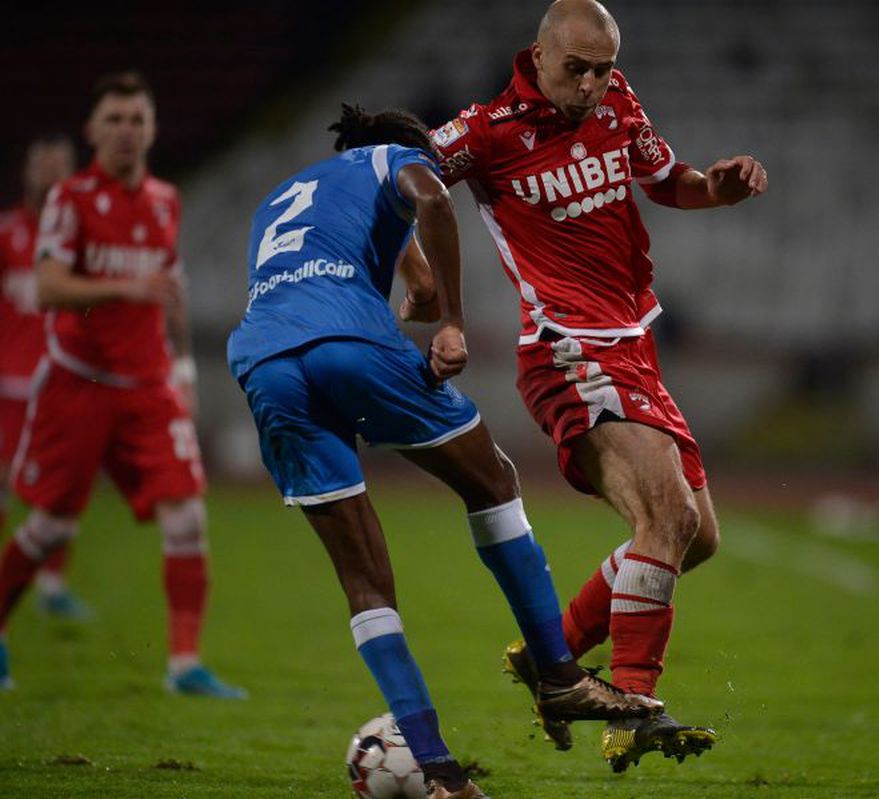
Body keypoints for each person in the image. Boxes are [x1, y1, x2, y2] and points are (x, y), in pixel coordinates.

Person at [227, 104, 661, 799]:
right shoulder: (394, 161)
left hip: (264, 361)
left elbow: (414, 285)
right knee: (494, 481)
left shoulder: (281, 198)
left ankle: (440, 775)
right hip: (347, 346)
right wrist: (453, 321)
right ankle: (557, 674)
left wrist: (402, 310)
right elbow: (431, 201)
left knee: (365, 586)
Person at [430, 0, 767, 771]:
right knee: (667, 516)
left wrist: (715, 187)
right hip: (566, 349)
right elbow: (408, 176)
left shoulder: (618, 104)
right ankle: (633, 702)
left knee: (697, 537)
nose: (588, 85)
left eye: (601, 69)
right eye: (575, 68)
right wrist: (425, 292)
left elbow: (667, 180)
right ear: (539, 56)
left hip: (632, 343)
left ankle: (544, 657)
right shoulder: (485, 132)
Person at [0, 72, 244, 697]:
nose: (127, 131)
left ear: (153, 129)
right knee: (49, 527)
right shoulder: (71, 199)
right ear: (93, 130)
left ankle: (184, 665)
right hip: (77, 384)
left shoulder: (165, 199)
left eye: (138, 119)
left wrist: (184, 367)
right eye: (115, 119)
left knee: (187, 514)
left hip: (147, 385)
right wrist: (122, 288)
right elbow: (50, 286)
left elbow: (171, 292)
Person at [0, 134, 93, 620]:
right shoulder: (7, 233)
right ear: (27, 171)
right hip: (9, 384)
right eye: (44, 165)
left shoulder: (84, 239)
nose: (52, 175)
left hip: (63, 379)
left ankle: (53, 586)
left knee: (64, 486)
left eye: (62, 166)